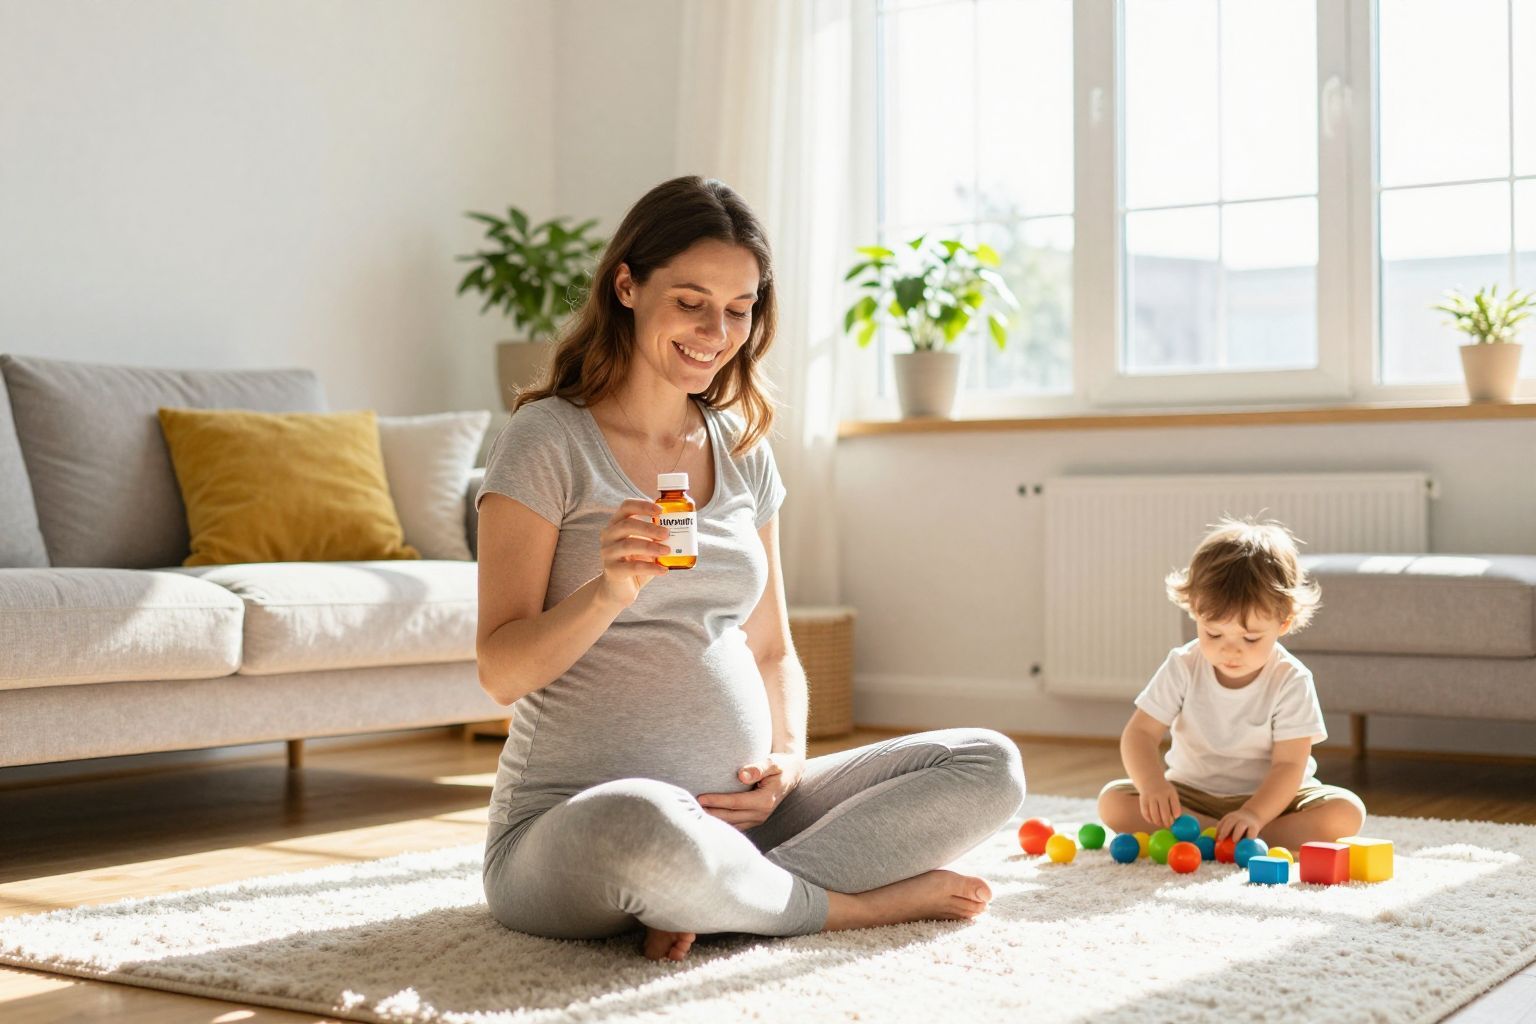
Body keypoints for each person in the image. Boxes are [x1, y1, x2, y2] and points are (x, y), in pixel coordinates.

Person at [474, 176, 1026, 961]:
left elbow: (771, 650)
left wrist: (788, 759)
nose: (716, 330)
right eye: (692, 301)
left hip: (745, 817)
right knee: (650, 824)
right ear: (627, 285)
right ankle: (848, 908)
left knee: (985, 763)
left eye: (740, 309)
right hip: (577, 825)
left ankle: (729, 893)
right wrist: (608, 594)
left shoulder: (740, 447)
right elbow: (499, 671)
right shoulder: (547, 439)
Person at [1097, 516, 1366, 851]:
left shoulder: (1291, 680)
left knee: (1346, 813)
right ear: (1195, 611)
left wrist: (1254, 813)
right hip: (1191, 796)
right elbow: (1140, 734)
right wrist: (1152, 785)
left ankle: (1233, 837)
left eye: (1251, 638)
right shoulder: (1183, 665)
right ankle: (1220, 836)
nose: (1230, 650)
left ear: (1283, 623)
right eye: (1214, 633)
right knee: (1112, 801)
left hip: (1272, 801)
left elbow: (1289, 765)